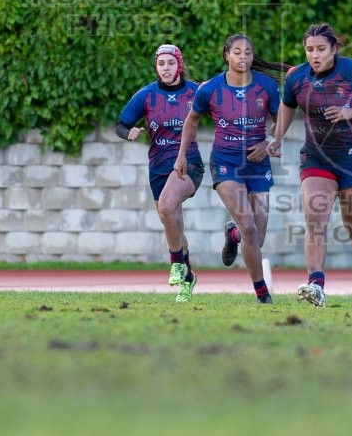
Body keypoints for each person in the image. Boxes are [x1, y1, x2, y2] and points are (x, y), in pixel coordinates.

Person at [266, 23, 352, 308]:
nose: (315, 55)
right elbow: (287, 106)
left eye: (321, 49)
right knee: (315, 217)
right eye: (309, 49)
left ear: (334, 49)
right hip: (316, 157)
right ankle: (316, 285)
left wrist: (351, 111)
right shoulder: (296, 76)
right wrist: (277, 137)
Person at [174, 33, 288, 304]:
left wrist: (270, 141)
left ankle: (232, 234)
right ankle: (262, 294)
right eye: (237, 52)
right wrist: (181, 155)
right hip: (225, 162)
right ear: (227, 56)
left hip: (258, 164)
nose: (243, 57)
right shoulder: (210, 88)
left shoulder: (267, 87)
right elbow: (191, 121)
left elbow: (281, 119)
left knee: (256, 237)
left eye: (247, 52)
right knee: (248, 226)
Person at [116, 44, 205, 303]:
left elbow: (225, 109)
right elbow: (121, 125)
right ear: (156, 66)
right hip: (158, 167)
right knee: (173, 223)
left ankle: (176, 263)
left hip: (189, 163)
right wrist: (128, 133)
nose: (166, 68)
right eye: (161, 63)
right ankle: (187, 277)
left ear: (180, 65)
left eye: (171, 62)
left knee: (167, 206)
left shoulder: (196, 91)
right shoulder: (146, 95)